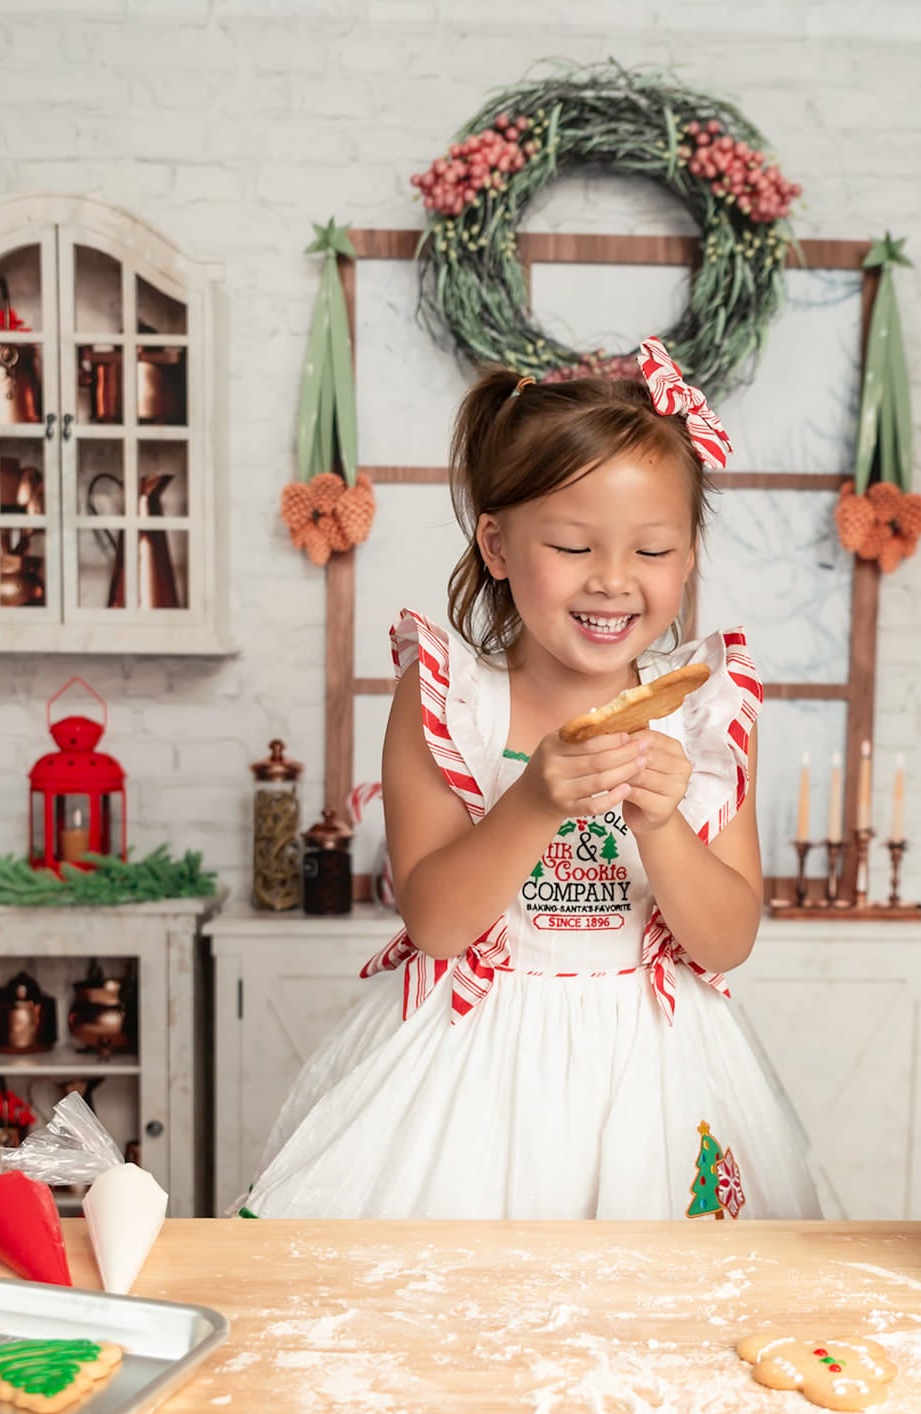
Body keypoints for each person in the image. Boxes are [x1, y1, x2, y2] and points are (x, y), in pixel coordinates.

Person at [236, 339, 819, 1220]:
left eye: (654, 549)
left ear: (690, 553)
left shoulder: (700, 714)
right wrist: (536, 799)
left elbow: (726, 940)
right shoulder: (448, 702)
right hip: (475, 1071)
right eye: (575, 544)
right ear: (499, 544)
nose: (615, 580)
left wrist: (662, 825)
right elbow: (435, 922)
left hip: (656, 1069)